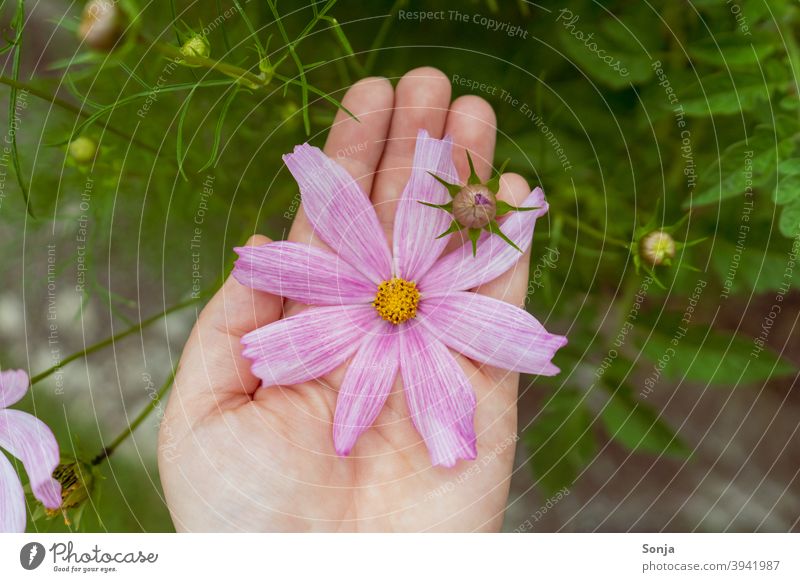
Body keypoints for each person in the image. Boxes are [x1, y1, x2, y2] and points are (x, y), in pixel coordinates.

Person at [159, 67, 538, 532]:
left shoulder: (419, 291)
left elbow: (484, 274)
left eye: (400, 299)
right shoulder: (380, 301)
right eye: (395, 299)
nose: (398, 301)